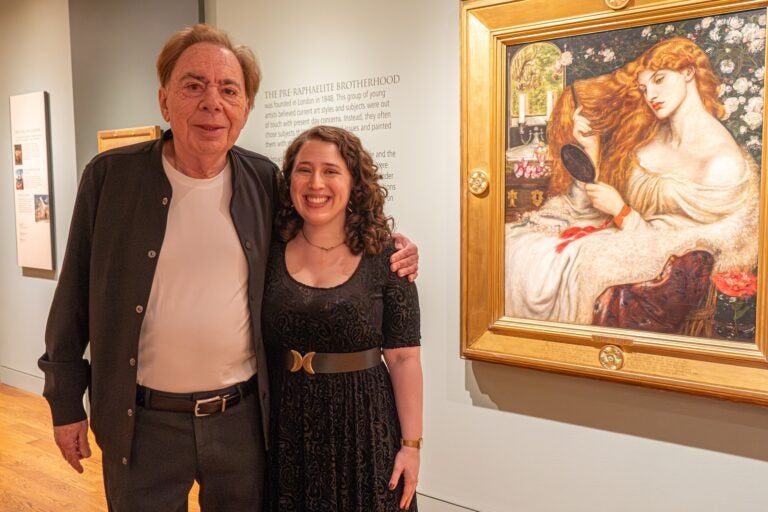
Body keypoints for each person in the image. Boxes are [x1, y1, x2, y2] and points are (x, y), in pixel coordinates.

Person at [38, 24, 417, 511]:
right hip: (143, 423)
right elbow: (72, 297)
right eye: (194, 85)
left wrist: (392, 248)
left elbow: (324, 223)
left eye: (229, 90)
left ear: (246, 109)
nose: (212, 103)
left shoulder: (263, 180)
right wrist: (65, 402)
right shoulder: (111, 178)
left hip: (242, 422)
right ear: (164, 100)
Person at [505, 37, 759, 329]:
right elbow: (606, 201)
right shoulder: (652, 137)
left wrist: (623, 212)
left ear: (689, 72)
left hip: (651, 262)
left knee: (564, 262)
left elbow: (688, 249)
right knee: (516, 243)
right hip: (622, 236)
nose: (651, 95)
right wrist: (591, 150)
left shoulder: (721, 163)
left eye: (659, 80)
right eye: (644, 87)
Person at [262, 125, 423, 511]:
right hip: (286, 423)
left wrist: (411, 446)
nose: (316, 183)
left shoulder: (388, 259)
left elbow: (404, 359)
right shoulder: (267, 252)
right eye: (304, 170)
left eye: (331, 171)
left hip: (363, 426)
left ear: (354, 183)